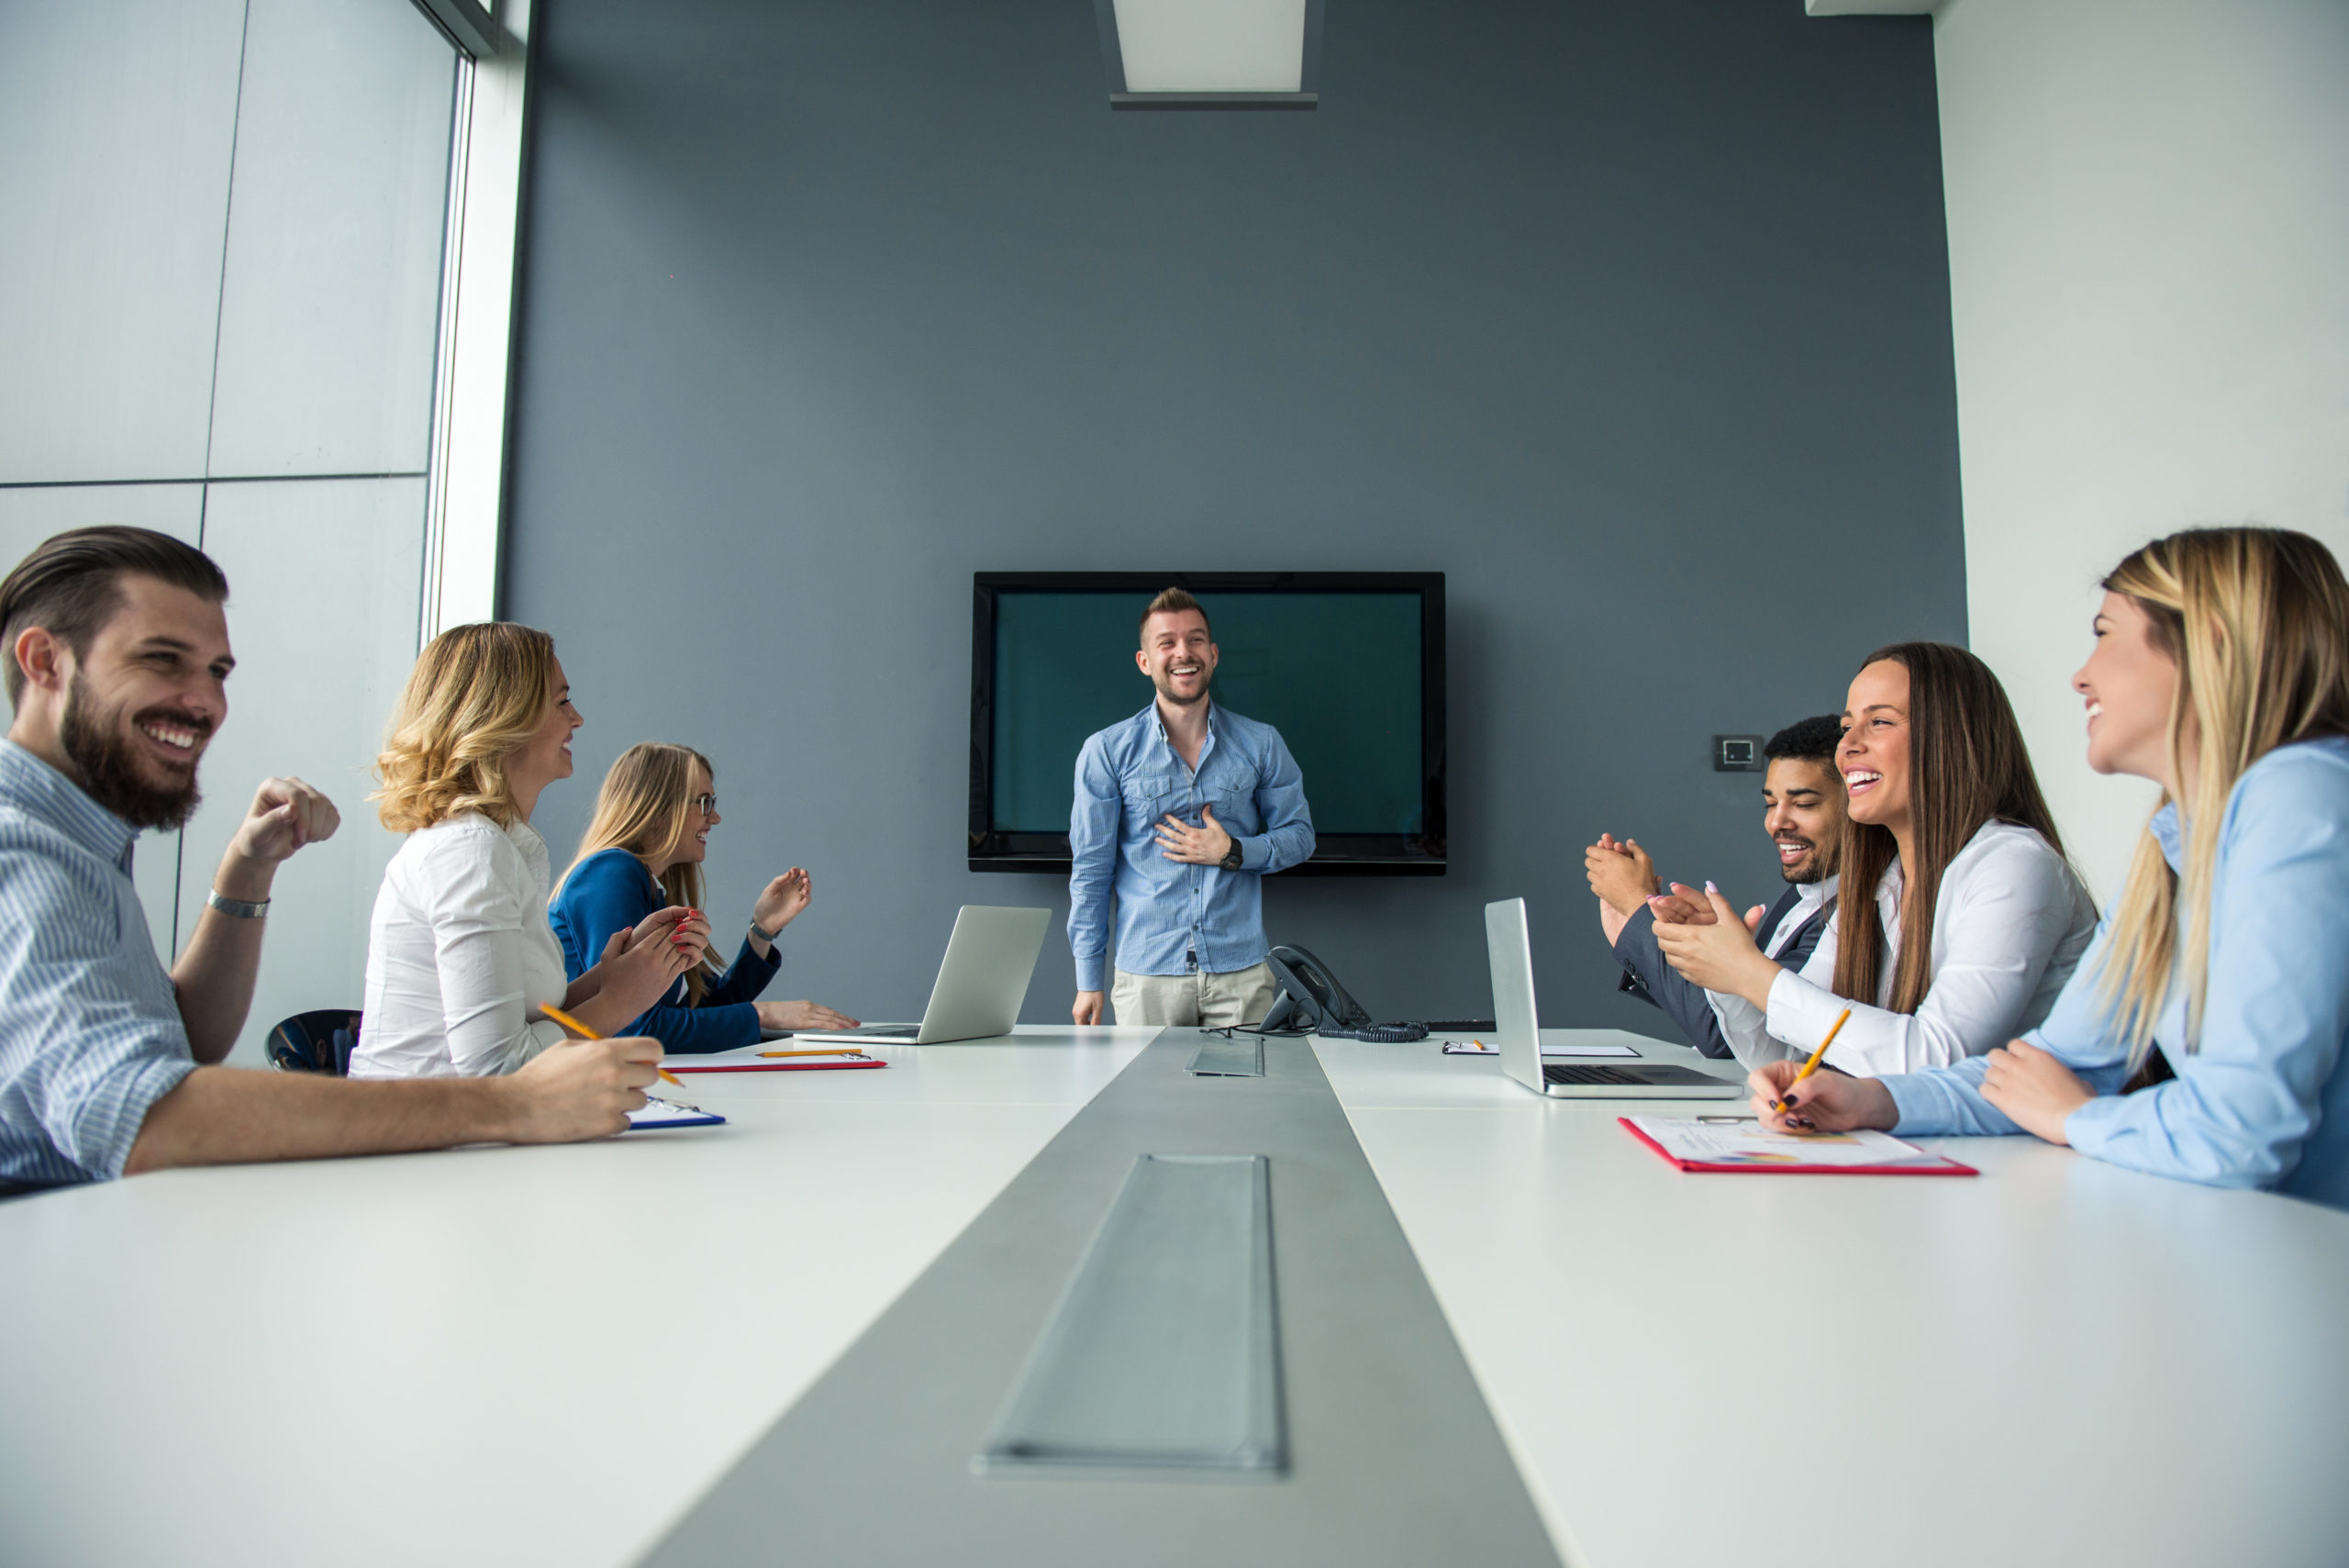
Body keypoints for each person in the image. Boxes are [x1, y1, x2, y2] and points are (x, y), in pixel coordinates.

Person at [0, 528, 657, 1189]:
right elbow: (139, 1112)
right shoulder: (21, 847)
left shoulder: (87, 839)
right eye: (163, 659)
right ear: (44, 662)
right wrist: (513, 1104)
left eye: (218, 671)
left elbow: (184, 1042)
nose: (207, 701)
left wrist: (245, 873)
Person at [1752, 528, 2349, 1208]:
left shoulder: (2301, 794)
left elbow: (2239, 1131)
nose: (2081, 675)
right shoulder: (2177, 848)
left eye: (2105, 633)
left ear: (2209, 644)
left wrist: (2074, 1117)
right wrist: (1869, 1100)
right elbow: (2049, 1068)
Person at [1653, 642, 2097, 1075]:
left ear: (1951, 737)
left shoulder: (2013, 864)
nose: (1847, 746)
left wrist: (1751, 973)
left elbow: (1938, 1058)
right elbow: (1790, 1061)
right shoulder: (1884, 883)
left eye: (1879, 721)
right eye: (1848, 726)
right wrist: (1727, 976)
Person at [352, 624, 713, 1079]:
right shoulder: (470, 853)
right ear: (507, 717)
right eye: (562, 701)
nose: (577, 718)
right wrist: (622, 1000)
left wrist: (618, 974)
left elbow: (526, 1021)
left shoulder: (496, 846)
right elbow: (498, 1068)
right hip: (427, 1137)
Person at [1069, 587, 1316, 1028]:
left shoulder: (1262, 743)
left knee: (1242, 1099)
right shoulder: (1105, 752)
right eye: (1167, 642)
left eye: (1196, 639)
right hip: (1147, 976)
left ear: (1214, 654)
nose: (1184, 652)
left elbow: (1300, 837)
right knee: (1147, 1100)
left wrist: (1232, 851)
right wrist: (1089, 979)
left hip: (1241, 975)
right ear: (1145, 661)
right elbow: (1091, 870)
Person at [549, 742, 857, 1051]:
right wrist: (764, 1014)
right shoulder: (610, 873)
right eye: (704, 802)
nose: (715, 817)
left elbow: (693, 1015)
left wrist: (763, 930)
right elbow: (633, 1030)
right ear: (658, 807)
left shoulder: (645, 883)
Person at [1586, 715, 1845, 1058]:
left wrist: (1638, 910)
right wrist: (1698, 949)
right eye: (1770, 804)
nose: (1776, 822)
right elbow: (1738, 1018)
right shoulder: (1803, 895)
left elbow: (1731, 1040)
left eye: (1804, 804)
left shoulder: (1854, 914)